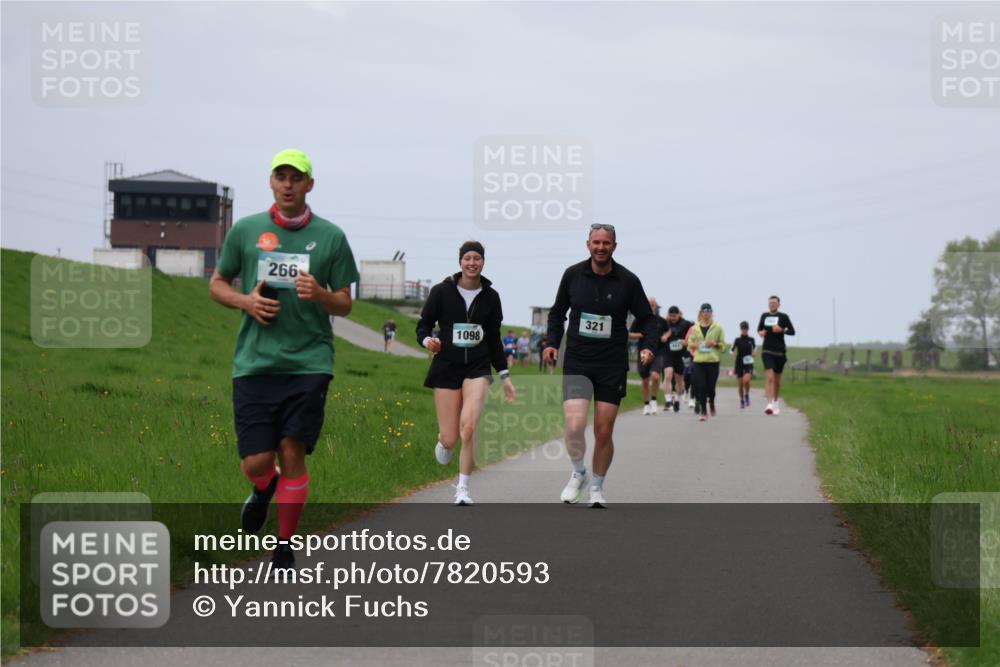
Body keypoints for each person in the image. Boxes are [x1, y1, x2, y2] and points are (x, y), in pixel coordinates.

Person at [210, 148, 359, 570]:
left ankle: (284, 544)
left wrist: (322, 295)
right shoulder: (246, 231)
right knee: (256, 460)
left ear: (309, 184)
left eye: (297, 178)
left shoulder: (331, 237)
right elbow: (217, 284)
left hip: (310, 362)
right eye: (282, 177)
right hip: (255, 363)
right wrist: (246, 301)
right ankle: (264, 486)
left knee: (293, 447)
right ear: (271, 182)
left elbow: (346, 304)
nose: (289, 184)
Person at [544, 224, 655, 508]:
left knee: (603, 431)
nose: (601, 247)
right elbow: (557, 314)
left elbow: (647, 318)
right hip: (578, 359)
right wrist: (552, 343)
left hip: (611, 363)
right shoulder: (572, 275)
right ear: (588, 244)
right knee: (574, 424)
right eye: (596, 242)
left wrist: (648, 347)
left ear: (615, 246)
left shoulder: (628, 281)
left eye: (606, 243)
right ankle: (578, 472)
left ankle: (596, 486)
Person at [416, 241, 516, 505]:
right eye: (467, 258)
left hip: (478, 367)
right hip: (446, 366)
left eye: (477, 259)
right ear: (460, 261)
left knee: (469, 428)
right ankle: (445, 442)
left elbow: (494, 339)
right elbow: (423, 326)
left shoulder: (491, 297)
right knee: (450, 438)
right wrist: (428, 341)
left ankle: (463, 488)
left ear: (483, 262)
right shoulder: (441, 291)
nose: (472, 263)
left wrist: (505, 376)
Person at [685, 303, 725, 422]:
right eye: (704, 311)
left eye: (708, 311)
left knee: (711, 387)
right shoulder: (695, 328)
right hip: (699, 361)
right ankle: (703, 411)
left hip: (713, 361)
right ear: (701, 313)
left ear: (711, 313)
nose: (706, 313)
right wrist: (694, 345)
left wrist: (715, 344)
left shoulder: (718, 328)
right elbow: (689, 345)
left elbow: (723, 347)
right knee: (701, 386)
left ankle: (711, 402)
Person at [629, 297, 669, 415]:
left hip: (657, 352)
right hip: (643, 352)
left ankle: (654, 400)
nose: (651, 306)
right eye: (649, 304)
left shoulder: (661, 321)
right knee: (645, 380)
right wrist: (640, 335)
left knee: (656, 376)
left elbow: (668, 330)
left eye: (653, 305)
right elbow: (630, 334)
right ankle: (646, 405)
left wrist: (665, 336)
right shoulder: (640, 320)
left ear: (656, 307)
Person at [757, 295, 796, 415]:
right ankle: (769, 404)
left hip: (780, 352)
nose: (772, 304)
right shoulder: (764, 316)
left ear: (779, 304)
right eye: (770, 303)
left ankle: (775, 402)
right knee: (770, 378)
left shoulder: (783, 317)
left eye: (774, 303)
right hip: (767, 351)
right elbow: (759, 329)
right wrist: (761, 333)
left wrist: (782, 330)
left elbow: (792, 331)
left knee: (777, 381)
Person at [662, 305, 694, 413]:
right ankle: (667, 400)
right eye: (671, 316)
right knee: (668, 374)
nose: (673, 318)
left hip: (681, 355)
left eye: (674, 316)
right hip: (668, 354)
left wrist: (687, 341)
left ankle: (677, 400)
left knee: (680, 381)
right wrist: (663, 337)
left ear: (679, 314)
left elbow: (695, 330)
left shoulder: (685, 324)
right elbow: (658, 333)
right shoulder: (665, 323)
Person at [730, 321, 756, 409]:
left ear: (748, 329)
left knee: (746, 380)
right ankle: (742, 400)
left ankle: (747, 394)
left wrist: (754, 353)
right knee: (740, 384)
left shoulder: (751, 339)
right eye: (743, 328)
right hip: (739, 363)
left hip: (748, 362)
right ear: (740, 329)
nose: (744, 330)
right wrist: (733, 353)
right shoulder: (737, 340)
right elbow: (731, 349)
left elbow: (755, 348)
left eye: (746, 328)